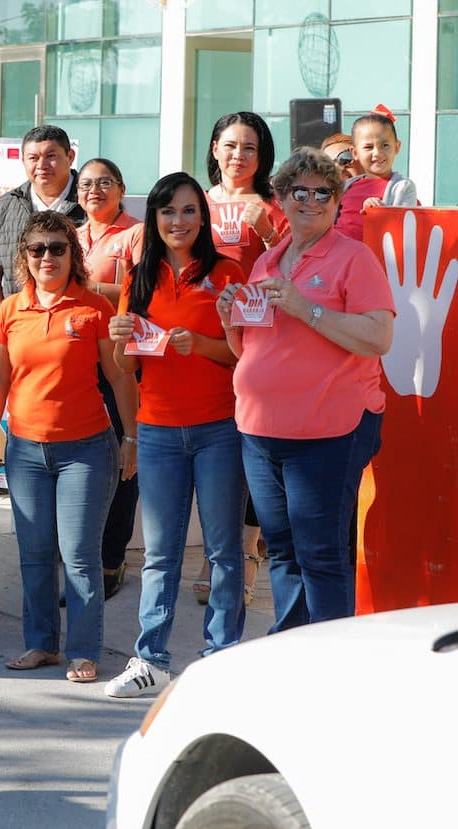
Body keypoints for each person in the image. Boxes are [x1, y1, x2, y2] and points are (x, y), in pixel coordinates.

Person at [215, 147, 395, 632]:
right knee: (283, 551)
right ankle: (293, 648)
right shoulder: (269, 261)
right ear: (282, 197)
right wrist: (229, 317)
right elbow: (252, 348)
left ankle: (331, 663)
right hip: (260, 433)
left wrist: (307, 308)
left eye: (324, 192)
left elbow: (378, 336)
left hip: (327, 433)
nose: (312, 200)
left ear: (337, 202)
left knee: (322, 555)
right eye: (301, 191)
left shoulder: (353, 258)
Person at [103, 172, 248, 699]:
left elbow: (247, 355)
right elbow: (124, 363)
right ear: (155, 219)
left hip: (219, 430)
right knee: (160, 555)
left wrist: (202, 346)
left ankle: (221, 659)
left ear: (203, 217)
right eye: (168, 211)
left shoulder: (229, 273)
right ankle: (151, 660)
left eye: (189, 211)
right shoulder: (138, 278)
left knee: (223, 551)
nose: (178, 221)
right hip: (160, 430)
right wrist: (121, 338)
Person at [0, 211, 138, 682]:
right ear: (24, 257)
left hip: (86, 452)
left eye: (57, 248)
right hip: (26, 451)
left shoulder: (93, 308)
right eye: (37, 249)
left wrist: (131, 437)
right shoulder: (10, 309)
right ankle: (42, 644)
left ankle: (84, 650)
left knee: (80, 555)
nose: (47, 257)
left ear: (73, 254)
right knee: (34, 552)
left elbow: (120, 376)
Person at [199, 111, 287, 605]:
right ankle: (219, 554)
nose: (238, 155)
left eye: (249, 148)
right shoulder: (194, 201)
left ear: (262, 156)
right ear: (214, 149)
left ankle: (249, 549)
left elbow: (293, 260)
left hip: (257, 341)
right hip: (199, 337)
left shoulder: (275, 205)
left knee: (252, 446)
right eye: (230, 145)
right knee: (212, 449)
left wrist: (270, 233)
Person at [75, 157, 143, 600]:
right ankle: (79, 552)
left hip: (118, 360)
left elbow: (147, 290)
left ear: (120, 188)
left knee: (123, 458)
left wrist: (91, 291)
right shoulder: (72, 234)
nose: (94, 191)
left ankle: (111, 559)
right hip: (74, 360)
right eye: (85, 184)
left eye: (104, 183)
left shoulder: (137, 233)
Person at [0, 125, 86, 319]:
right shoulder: (4, 207)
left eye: (51, 156)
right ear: (23, 161)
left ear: (70, 156)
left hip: (78, 328)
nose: (42, 165)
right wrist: (3, 323)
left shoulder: (91, 201)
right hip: (22, 329)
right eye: (33, 158)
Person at [336, 110, 418, 241]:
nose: (377, 153)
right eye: (368, 147)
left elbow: (406, 228)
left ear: (397, 147)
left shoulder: (402, 187)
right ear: (355, 152)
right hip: (339, 254)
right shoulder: (347, 185)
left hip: (372, 258)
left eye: (385, 145)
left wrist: (380, 213)